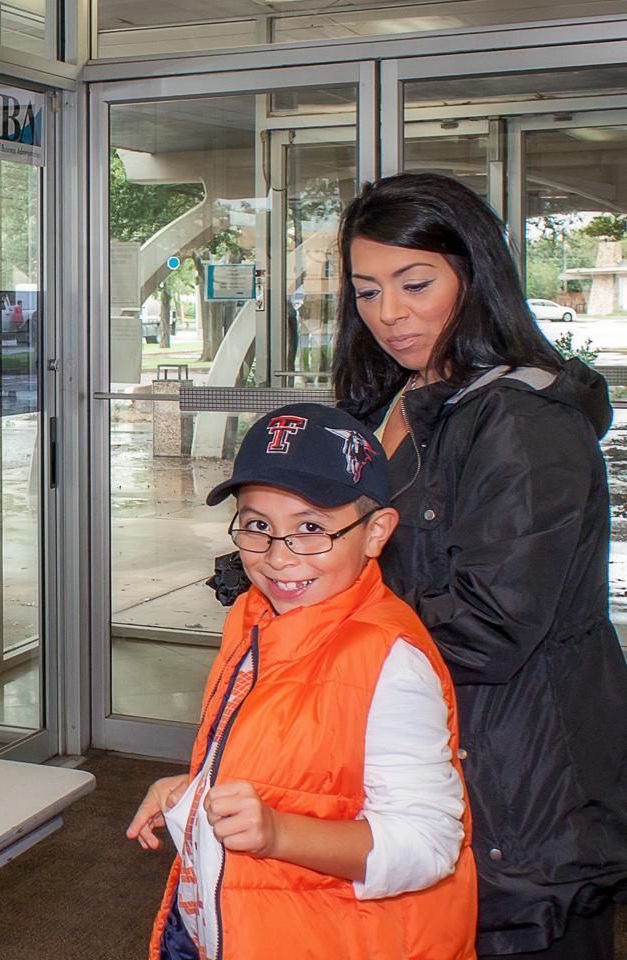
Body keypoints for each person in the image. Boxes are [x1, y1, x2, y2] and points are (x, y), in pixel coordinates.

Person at [333, 171, 627, 959]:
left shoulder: (523, 424)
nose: (389, 314)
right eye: (366, 291)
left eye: (415, 283)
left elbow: (489, 629)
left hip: (523, 796)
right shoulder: (394, 400)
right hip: (429, 765)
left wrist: (327, 624)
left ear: (478, 273)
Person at [128, 403, 476, 960]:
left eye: (311, 528)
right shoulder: (254, 617)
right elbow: (290, 766)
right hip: (235, 922)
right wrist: (192, 791)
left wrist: (278, 833)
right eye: (258, 526)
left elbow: (430, 843)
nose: (278, 556)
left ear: (376, 532)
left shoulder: (389, 661)